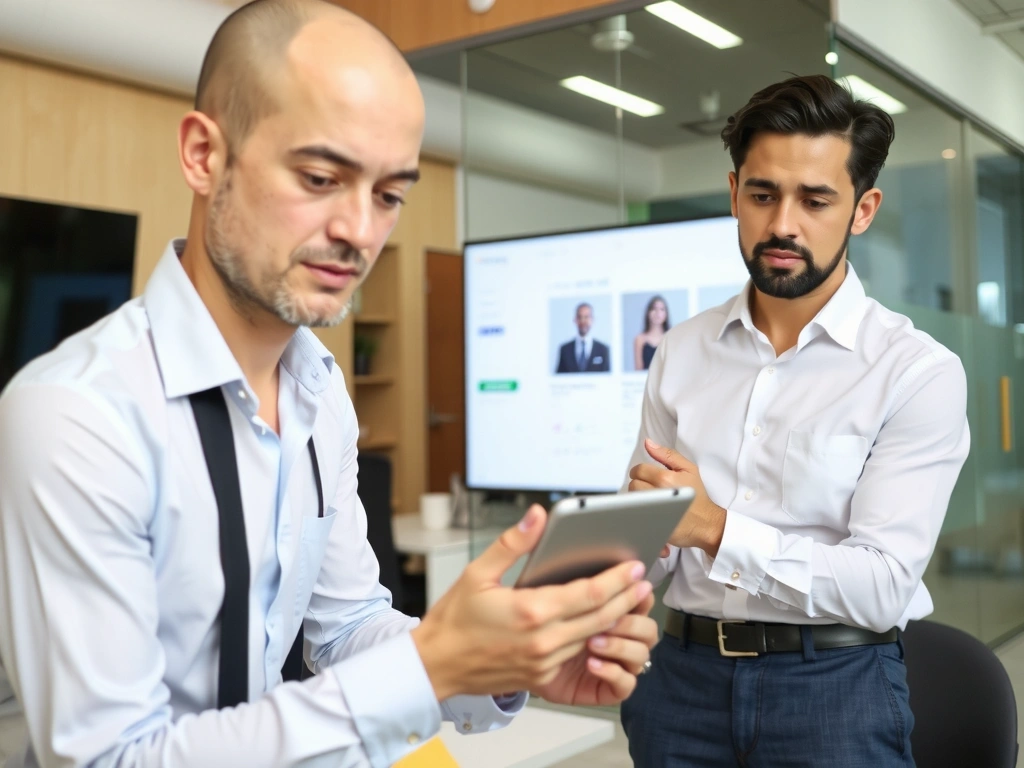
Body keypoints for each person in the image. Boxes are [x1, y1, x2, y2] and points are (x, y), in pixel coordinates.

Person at [0, 2, 659, 766]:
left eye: (388, 196)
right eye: (321, 177)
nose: (359, 230)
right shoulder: (78, 414)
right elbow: (112, 760)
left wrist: (506, 658)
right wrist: (431, 664)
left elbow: (346, 630)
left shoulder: (319, 391)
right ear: (203, 156)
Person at [620, 74, 970, 767]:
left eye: (815, 200)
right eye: (762, 195)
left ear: (862, 210)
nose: (783, 223)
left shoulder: (916, 371)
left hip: (834, 689)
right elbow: (655, 527)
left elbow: (880, 586)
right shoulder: (682, 348)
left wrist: (715, 528)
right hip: (678, 681)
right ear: (733, 194)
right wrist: (600, 567)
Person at [555, 302, 611, 374]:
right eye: (579, 317)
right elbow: (559, 377)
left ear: (592, 319)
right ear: (575, 320)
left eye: (586, 317)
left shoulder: (603, 349)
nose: (583, 321)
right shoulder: (565, 349)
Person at [632, 295, 670, 371]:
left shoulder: (670, 338)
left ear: (666, 314)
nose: (658, 313)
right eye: (654, 309)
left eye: (662, 309)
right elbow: (638, 370)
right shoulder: (639, 339)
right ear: (648, 313)